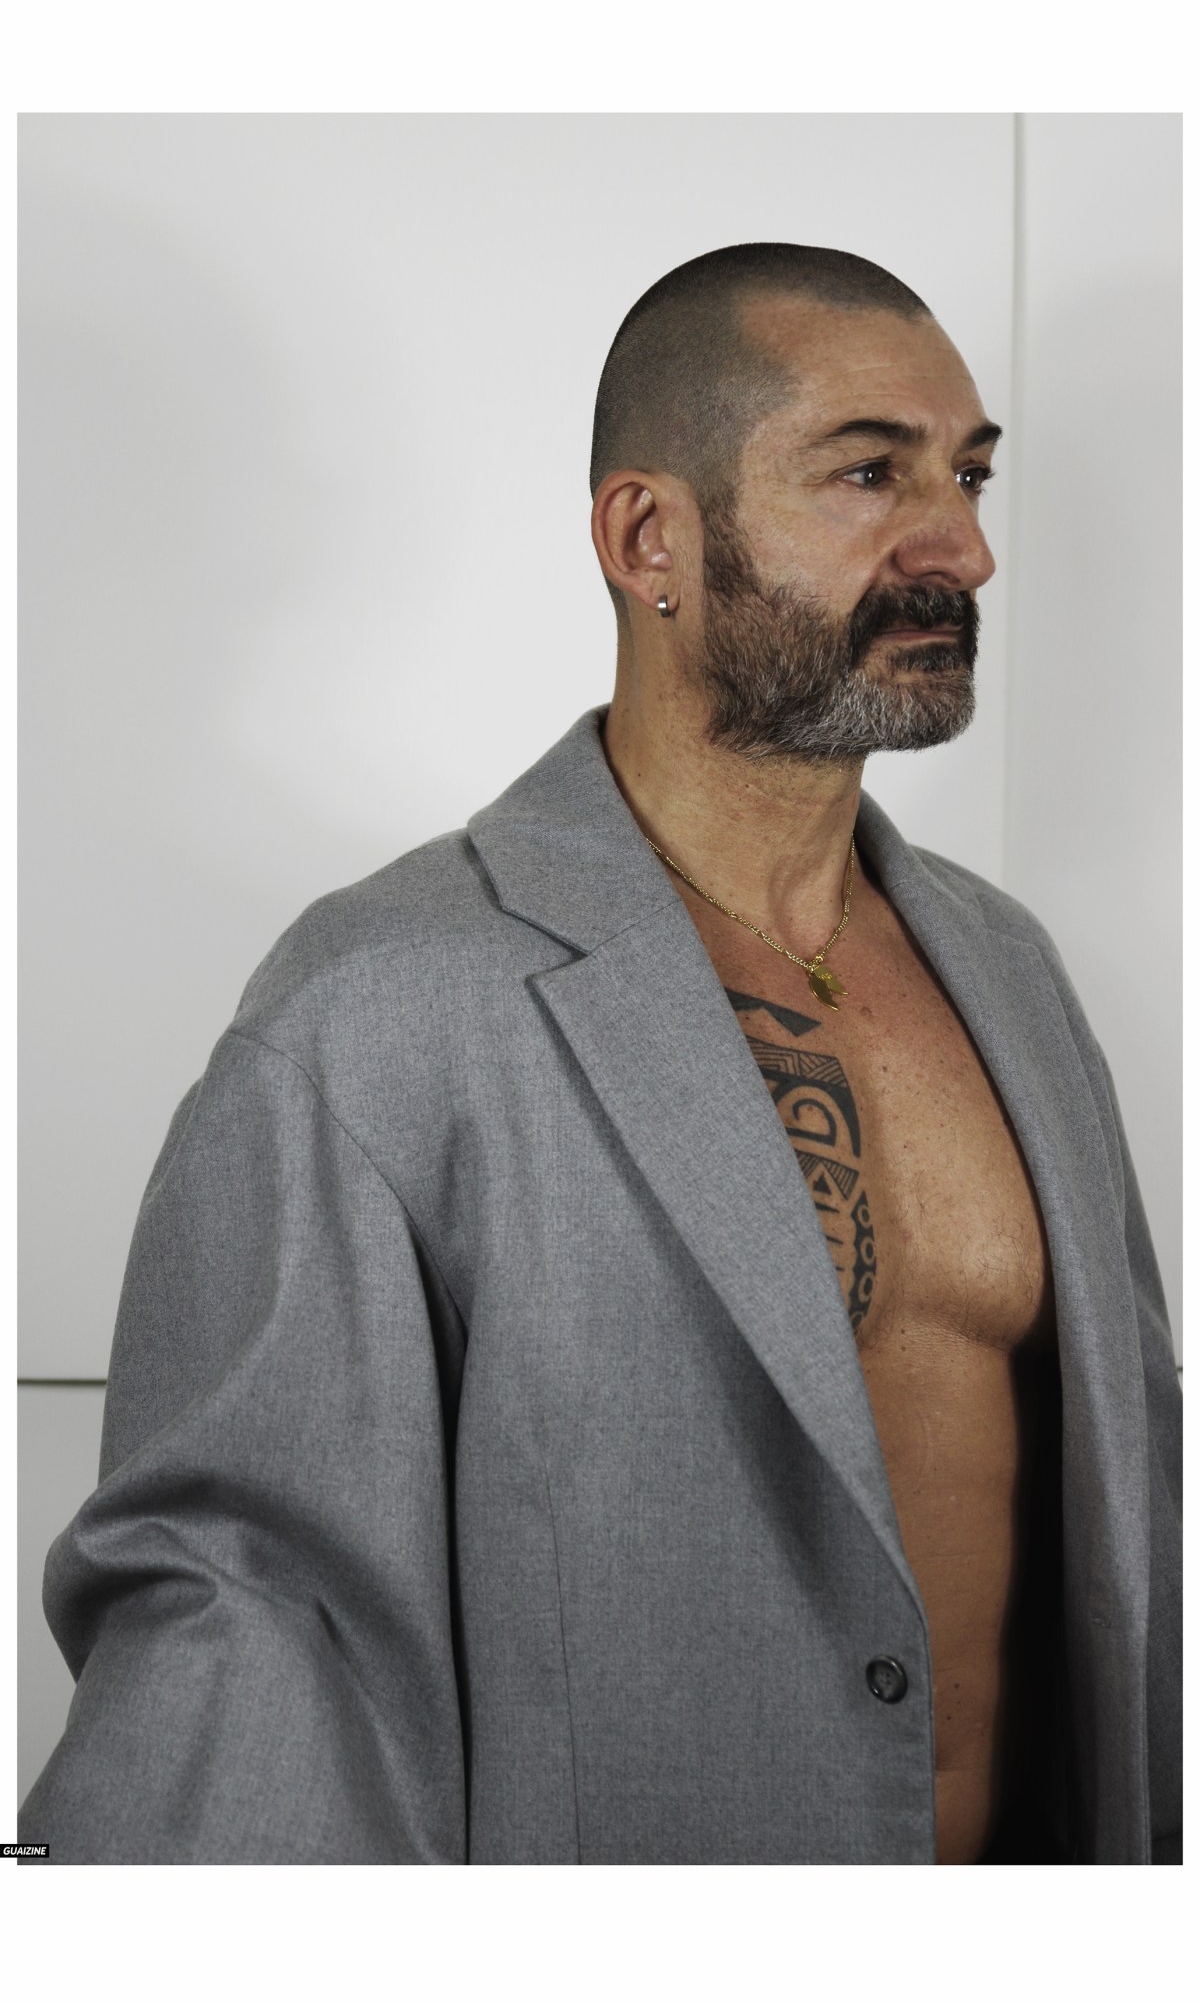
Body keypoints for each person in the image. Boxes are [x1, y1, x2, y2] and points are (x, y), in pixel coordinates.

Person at [19, 243, 1181, 1865]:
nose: (964, 549)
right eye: (870, 473)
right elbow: (240, 1620)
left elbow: (1138, 1531)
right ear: (650, 539)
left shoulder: (1011, 975)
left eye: (969, 475)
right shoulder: (382, 1002)